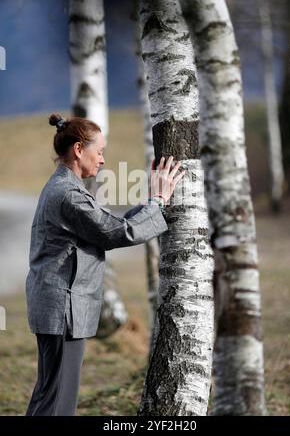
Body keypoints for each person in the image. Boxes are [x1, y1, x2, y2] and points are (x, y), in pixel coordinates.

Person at [25, 113, 186, 416]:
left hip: (59, 308)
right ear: (77, 150)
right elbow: (118, 233)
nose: (102, 161)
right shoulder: (68, 195)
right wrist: (160, 201)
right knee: (57, 402)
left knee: (50, 396)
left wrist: (152, 201)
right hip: (63, 310)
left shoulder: (64, 187)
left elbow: (108, 224)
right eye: (99, 152)